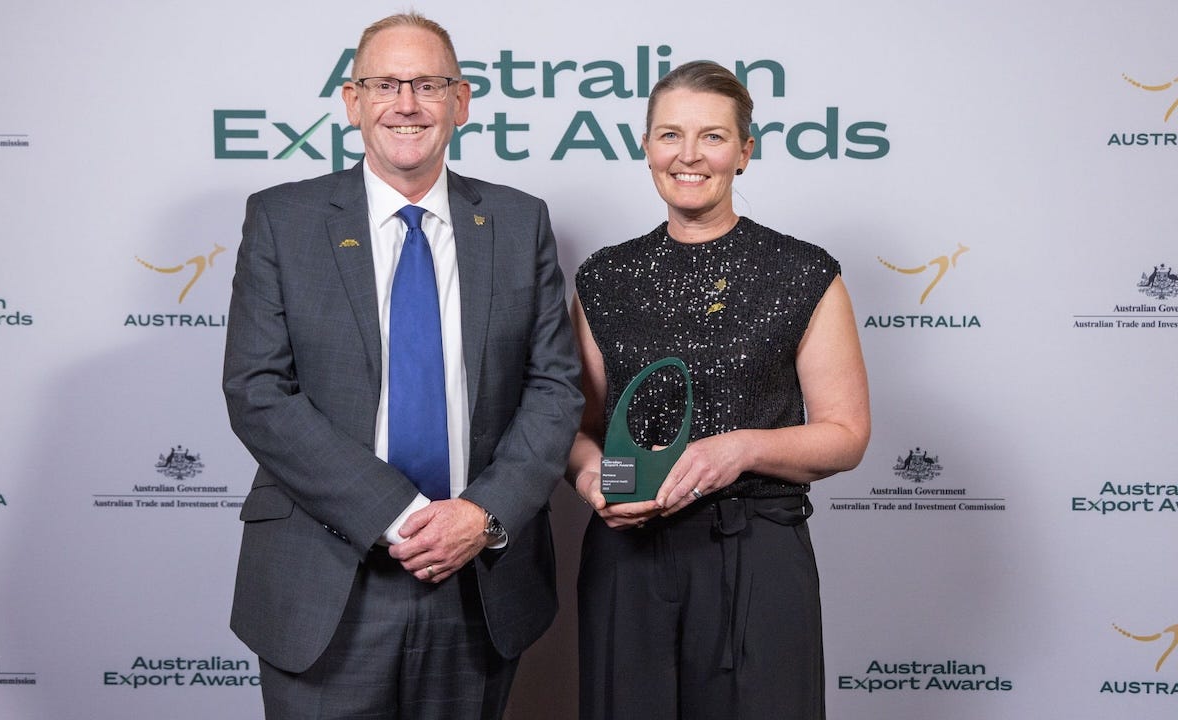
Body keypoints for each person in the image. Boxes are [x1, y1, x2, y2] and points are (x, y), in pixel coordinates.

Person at [222, 12, 583, 720]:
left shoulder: (518, 222)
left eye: (428, 84)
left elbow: (554, 387)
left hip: (475, 581)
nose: (407, 103)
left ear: (462, 100)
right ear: (353, 101)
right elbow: (258, 391)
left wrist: (479, 515)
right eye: (385, 84)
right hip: (326, 583)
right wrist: (398, 514)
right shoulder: (283, 221)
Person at [567, 60, 871, 719]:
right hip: (629, 554)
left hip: (754, 553)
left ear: (744, 151)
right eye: (670, 135)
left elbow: (846, 434)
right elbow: (580, 424)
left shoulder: (803, 272)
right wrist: (595, 480)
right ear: (646, 146)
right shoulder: (604, 276)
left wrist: (739, 449)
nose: (689, 155)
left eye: (712, 136)